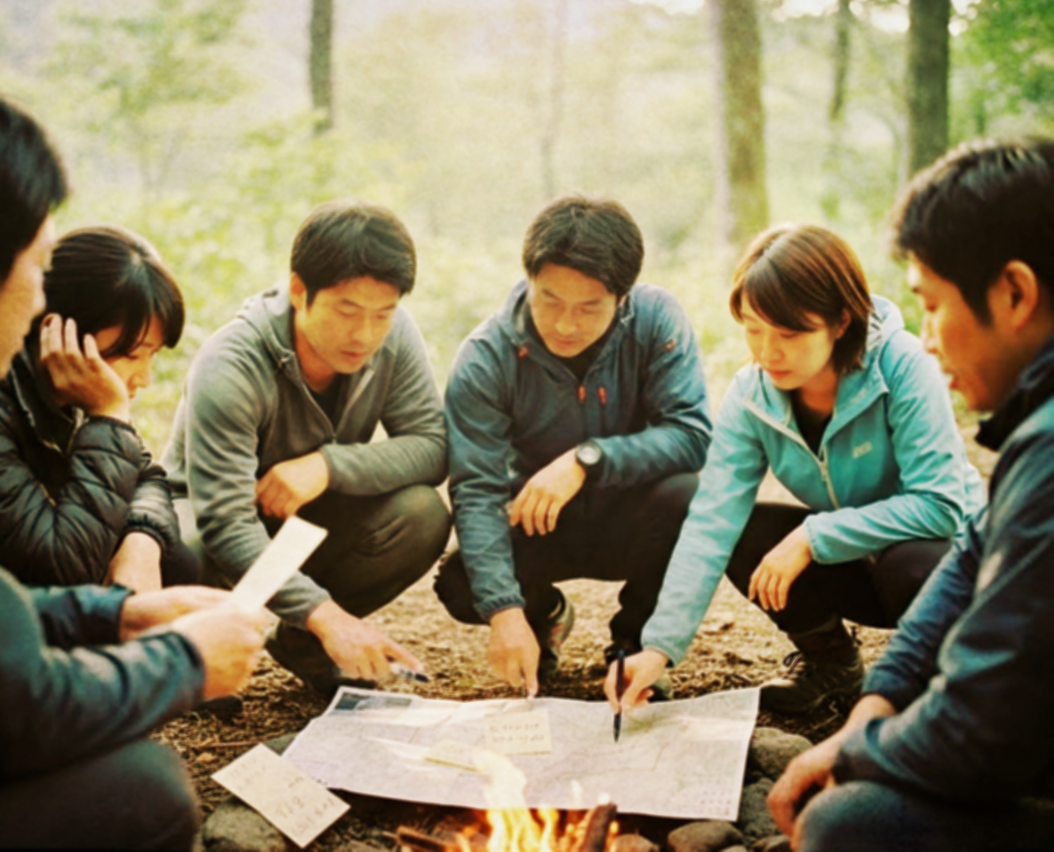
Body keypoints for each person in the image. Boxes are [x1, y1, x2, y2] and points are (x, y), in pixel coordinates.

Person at [0, 87, 265, 850]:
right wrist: (185, 662)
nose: (43, 303)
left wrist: (115, 615)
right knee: (142, 792)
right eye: (39, 267)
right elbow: (7, 710)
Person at [767, 139, 1054, 852]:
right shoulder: (1034, 431)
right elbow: (966, 564)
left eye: (931, 306)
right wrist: (878, 701)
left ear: (1013, 294)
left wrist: (857, 755)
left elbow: (977, 732)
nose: (928, 339)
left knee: (844, 825)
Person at [609, 223, 983, 716]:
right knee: (747, 532)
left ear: (841, 321)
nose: (768, 352)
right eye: (753, 329)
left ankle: (954, 685)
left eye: (789, 333)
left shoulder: (902, 365)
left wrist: (813, 536)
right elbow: (711, 522)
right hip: (858, 561)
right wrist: (657, 649)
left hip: (949, 562)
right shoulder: (751, 395)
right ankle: (832, 664)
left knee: (909, 564)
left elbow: (941, 506)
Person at [163, 199, 450, 695]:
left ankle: (304, 644)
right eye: (346, 311)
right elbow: (226, 522)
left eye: (382, 314)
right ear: (300, 291)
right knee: (181, 553)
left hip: (306, 519)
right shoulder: (230, 364)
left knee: (421, 514)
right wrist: (327, 614)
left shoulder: (395, 335)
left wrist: (328, 466)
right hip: (210, 528)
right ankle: (192, 656)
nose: (364, 335)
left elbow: (433, 445)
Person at [435, 193, 711, 697]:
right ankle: (543, 618)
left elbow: (691, 436)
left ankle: (634, 649)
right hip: (539, 522)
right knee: (460, 581)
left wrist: (588, 460)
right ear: (528, 279)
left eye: (588, 308)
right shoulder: (486, 355)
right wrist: (505, 611)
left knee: (686, 495)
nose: (565, 324)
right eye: (550, 300)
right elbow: (476, 489)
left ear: (622, 298)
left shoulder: (655, 320)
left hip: (633, 517)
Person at [0, 225, 197, 593]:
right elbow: (62, 566)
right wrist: (109, 415)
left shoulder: (75, 391)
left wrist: (142, 543)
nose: (144, 377)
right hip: (2, 604)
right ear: (62, 334)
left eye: (153, 355)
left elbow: (146, 476)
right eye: (131, 354)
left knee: (175, 561)